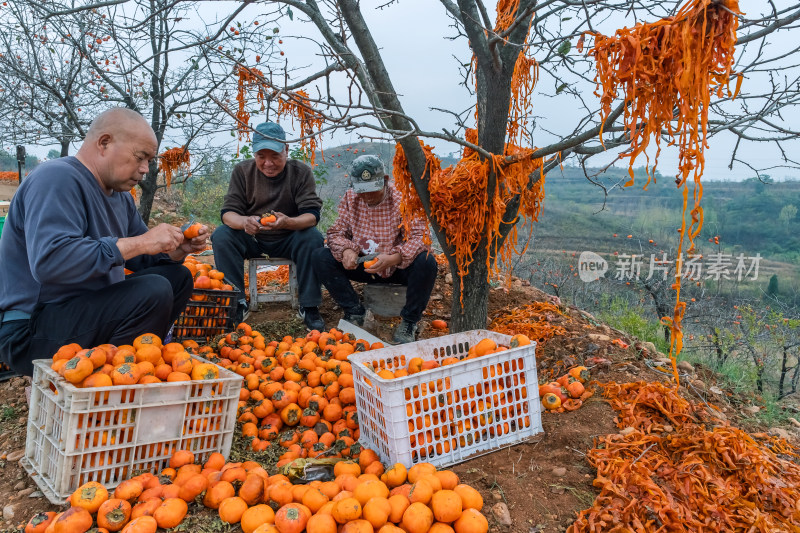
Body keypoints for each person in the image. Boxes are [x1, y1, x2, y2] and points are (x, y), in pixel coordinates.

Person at [0, 108, 208, 376]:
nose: (145, 169)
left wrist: (178, 249)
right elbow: (51, 262)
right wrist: (142, 242)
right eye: (140, 157)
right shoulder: (57, 178)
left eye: (149, 160)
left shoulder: (120, 197)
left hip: (81, 312)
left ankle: (121, 371)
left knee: (177, 277)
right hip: (32, 328)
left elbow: (143, 258)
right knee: (153, 290)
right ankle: (103, 381)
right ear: (104, 142)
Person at [211, 121, 325, 330]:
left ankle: (309, 305)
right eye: (261, 157)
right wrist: (245, 222)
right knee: (221, 235)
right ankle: (236, 302)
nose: (268, 163)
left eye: (275, 156)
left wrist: (289, 222)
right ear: (254, 155)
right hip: (252, 238)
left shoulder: (300, 172)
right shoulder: (242, 172)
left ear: (286, 150)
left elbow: (312, 215)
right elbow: (228, 214)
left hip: (289, 239)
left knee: (313, 237)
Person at [312, 155, 438, 344]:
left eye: (373, 190)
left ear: (385, 181)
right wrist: (347, 250)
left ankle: (410, 321)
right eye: (363, 191)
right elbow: (336, 231)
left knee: (426, 262)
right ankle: (355, 311)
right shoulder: (351, 198)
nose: (368, 196)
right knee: (320, 256)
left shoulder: (403, 198)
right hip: (364, 265)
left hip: (398, 266)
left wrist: (395, 257)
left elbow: (420, 236)